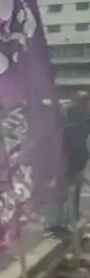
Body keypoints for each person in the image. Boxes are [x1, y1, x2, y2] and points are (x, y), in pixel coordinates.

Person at [51, 93, 90, 238]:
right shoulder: (74, 126)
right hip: (71, 164)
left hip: (76, 163)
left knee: (71, 195)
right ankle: (62, 224)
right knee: (67, 195)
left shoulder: (80, 125)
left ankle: (67, 223)